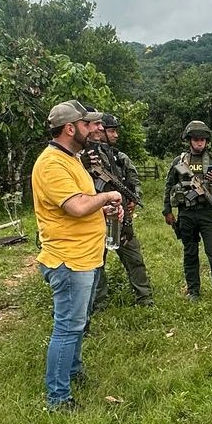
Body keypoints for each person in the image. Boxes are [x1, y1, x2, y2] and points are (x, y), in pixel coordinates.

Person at [32, 100, 123, 411]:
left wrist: (104, 207)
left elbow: (85, 201)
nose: (92, 129)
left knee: (78, 321)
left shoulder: (71, 159)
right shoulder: (51, 164)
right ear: (70, 128)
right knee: (68, 326)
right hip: (68, 259)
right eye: (86, 125)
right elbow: (76, 206)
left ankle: (72, 371)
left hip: (85, 255)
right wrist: (109, 195)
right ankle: (58, 397)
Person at [163, 121, 212, 305]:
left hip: (208, 213)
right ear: (189, 140)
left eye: (202, 140)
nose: (199, 143)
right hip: (186, 213)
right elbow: (169, 185)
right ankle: (193, 290)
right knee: (190, 252)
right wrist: (167, 211)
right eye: (196, 140)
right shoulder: (179, 162)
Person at [89, 113, 153, 307]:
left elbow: (133, 180)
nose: (115, 135)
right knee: (97, 262)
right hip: (96, 216)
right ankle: (98, 303)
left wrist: (134, 198)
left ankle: (145, 298)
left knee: (134, 258)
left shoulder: (118, 157)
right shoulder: (87, 156)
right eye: (112, 131)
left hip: (121, 216)